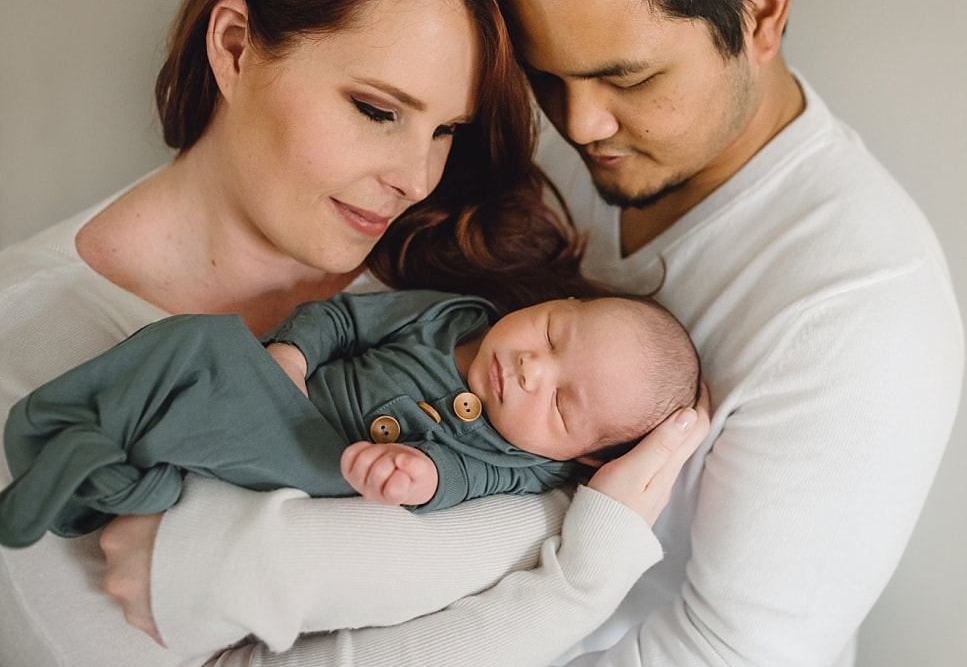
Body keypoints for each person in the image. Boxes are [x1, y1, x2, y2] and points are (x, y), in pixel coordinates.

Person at [98, 0, 966, 665]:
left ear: (763, 14)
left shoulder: (859, 314)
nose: (580, 124)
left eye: (626, 79)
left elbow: (726, 654)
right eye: (551, 77)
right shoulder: (567, 149)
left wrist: (255, 583)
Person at [0, 0, 707, 664]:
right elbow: (540, 534)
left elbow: (549, 485)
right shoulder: (18, 340)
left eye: (447, 131)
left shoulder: (474, 275)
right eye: (377, 110)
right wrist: (566, 577)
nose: (418, 179)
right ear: (236, 47)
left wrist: (241, 560)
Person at [1, 289, 700, 550]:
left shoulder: (526, 462)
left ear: (579, 456)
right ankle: (101, 462)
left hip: (323, 463)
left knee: (202, 354)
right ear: (554, 300)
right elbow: (343, 316)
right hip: (289, 399)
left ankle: (66, 444)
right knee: (196, 342)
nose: (529, 369)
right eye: (551, 333)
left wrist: (416, 473)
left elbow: (466, 477)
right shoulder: (457, 315)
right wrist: (293, 354)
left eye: (560, 402)